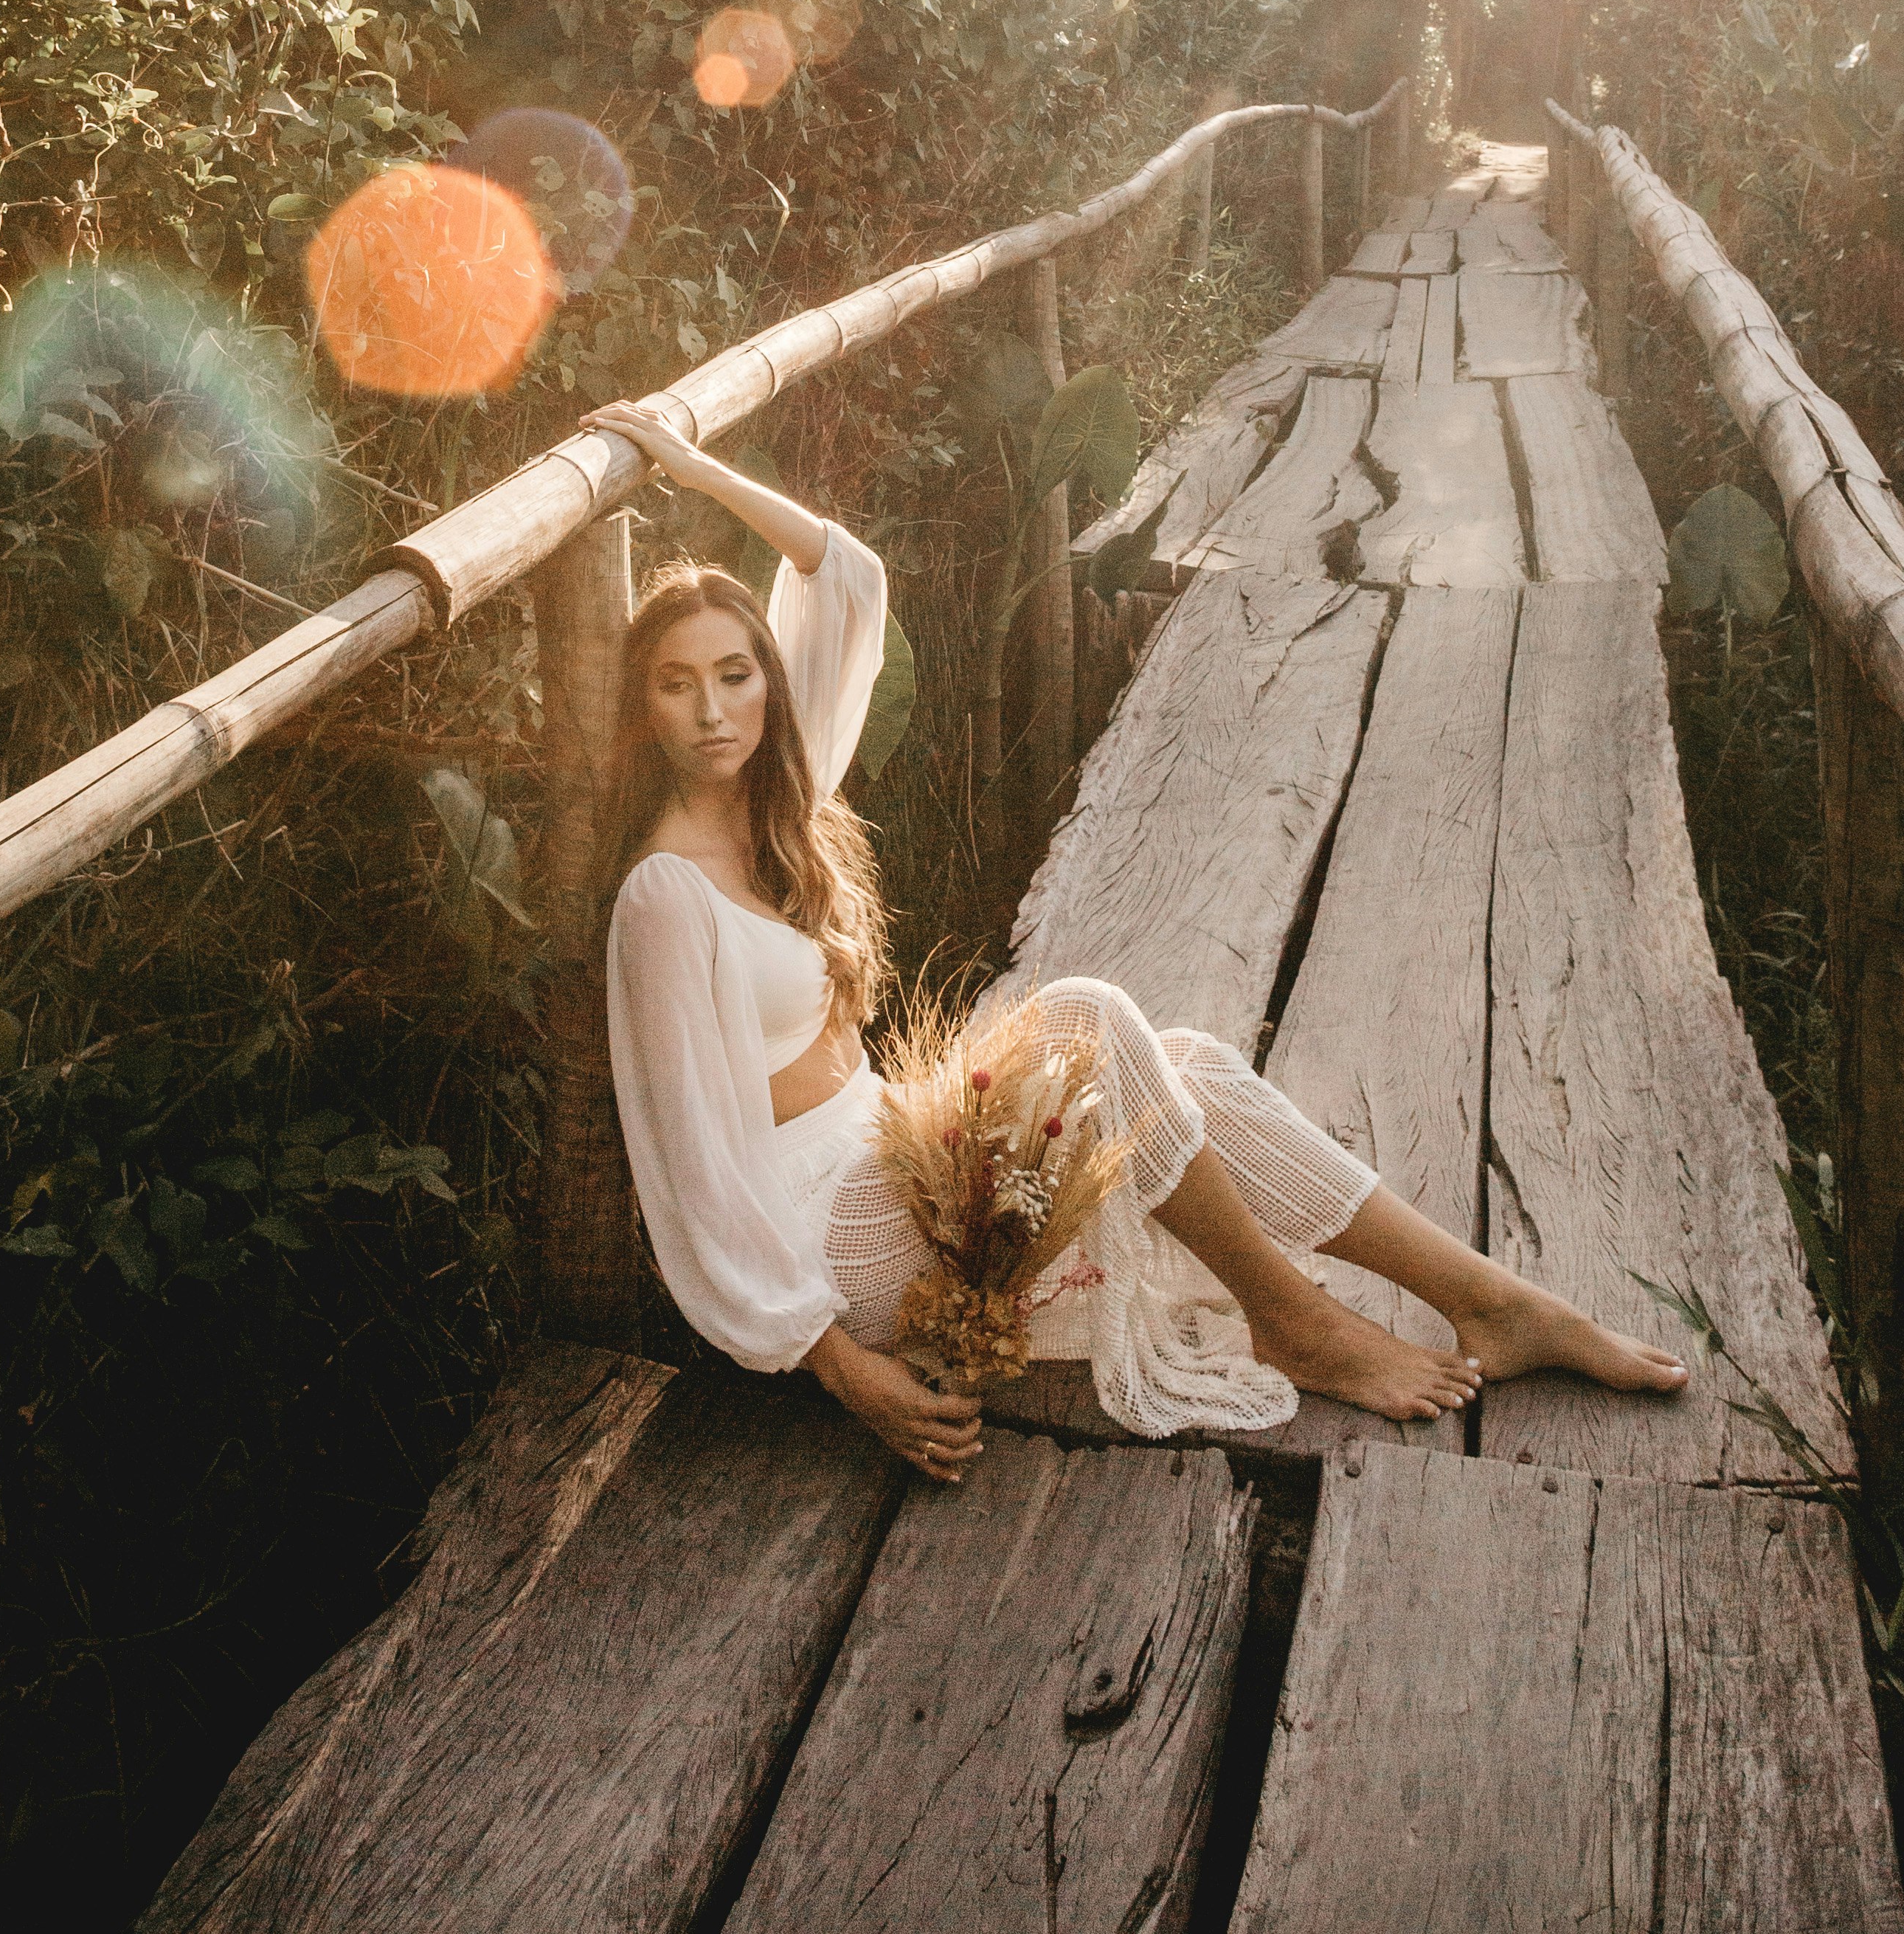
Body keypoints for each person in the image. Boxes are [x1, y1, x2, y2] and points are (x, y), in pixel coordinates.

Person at [593, 401, 1688, 1482]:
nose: (712, 711)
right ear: (643, 710)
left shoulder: (778, 805)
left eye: (736, 673)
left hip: (885, 1160)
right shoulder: (663, 900)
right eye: (676, 685)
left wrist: (699, 472)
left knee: (1190, 1072)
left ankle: (1493, 1302)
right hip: (827, 1246)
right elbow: (693, 1173)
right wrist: (840, 1369)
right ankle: (1291, 1319)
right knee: (1086, 1021)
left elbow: (846, 578)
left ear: (768, 684)